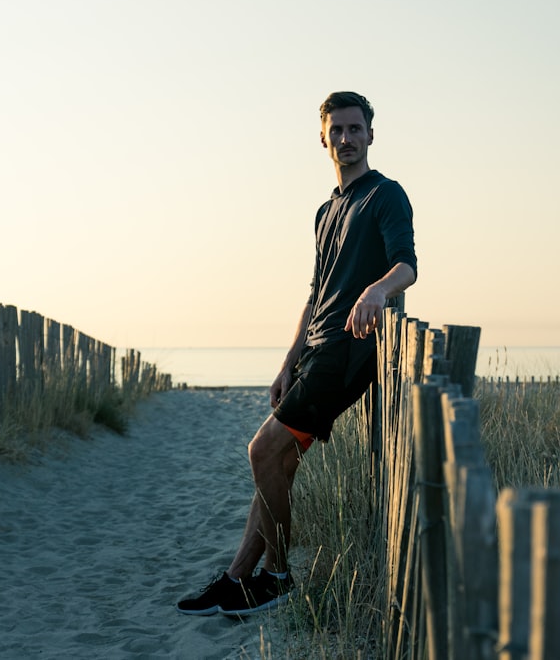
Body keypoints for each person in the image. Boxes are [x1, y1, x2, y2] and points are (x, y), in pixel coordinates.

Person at [176, 91, 417, 617]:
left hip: (347, 353)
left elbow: (408, 266)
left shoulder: (386, 195)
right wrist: (288, 361)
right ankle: (239, 580)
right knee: (276, 465)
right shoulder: (326, 211)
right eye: (338, 130)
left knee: (261, 451)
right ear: (324, 138)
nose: (347, 139)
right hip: (314, 353)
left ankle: (278, 575)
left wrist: (378, 291)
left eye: (356, 129)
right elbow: (315, 292)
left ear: (371, 135)